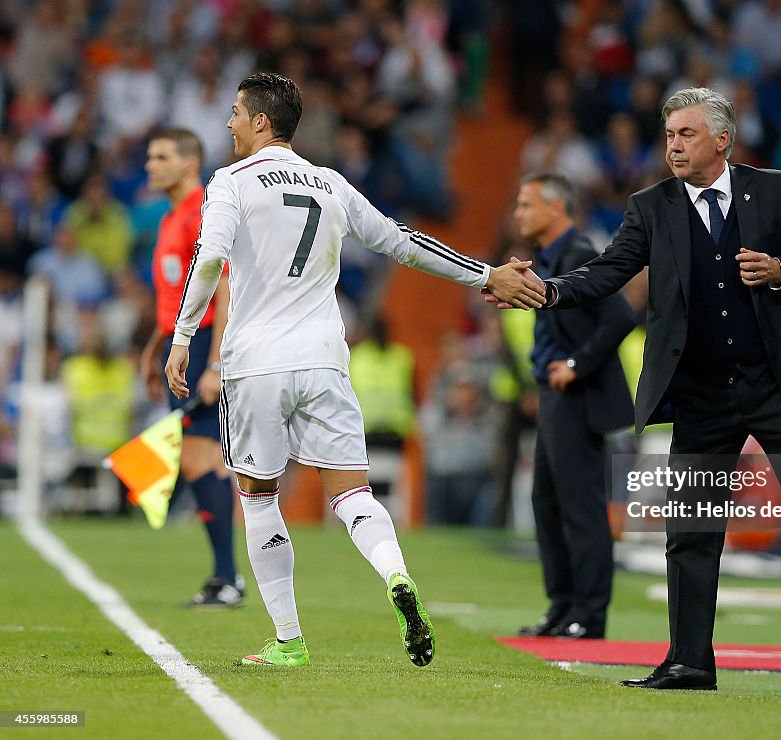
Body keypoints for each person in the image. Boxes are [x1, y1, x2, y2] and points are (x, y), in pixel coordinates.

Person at [165, 72, 545, 668]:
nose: (230, 122)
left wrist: (183, 336)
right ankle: (396, 575)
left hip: (256, 364)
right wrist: (485, 274)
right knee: (353, 492)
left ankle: (288, 640)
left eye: (237, 112)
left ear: (262, 121)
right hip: (323, 358)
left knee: (259, 496)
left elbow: (210, 257)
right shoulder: (330, 183)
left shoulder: (230, 181)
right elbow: (400, 242)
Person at [528, 88, 781, 689]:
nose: (673, 146)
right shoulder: (650, 206)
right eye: (668, 136)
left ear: (723, 140)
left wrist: (780, 270)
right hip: (701, 393)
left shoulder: (772, 189)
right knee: (690, 533)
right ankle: (690, 660)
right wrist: (550, 289)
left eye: (686, 135)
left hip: (780, 384)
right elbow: (612, 269)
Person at [512, 172, 635, 639]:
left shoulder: (578, 254)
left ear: (555, 208)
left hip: (577, 396)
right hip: (554, 394)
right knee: (547, 501)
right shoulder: (550, 258)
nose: (519, 213)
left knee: (579, 506)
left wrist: (577, 364)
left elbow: (621, 314)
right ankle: (563, 606)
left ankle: (589, 613)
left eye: (526, 204)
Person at [140, 127, 242, 608]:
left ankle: (227, 578)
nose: (149, 165)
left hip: (204, 344)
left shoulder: (203, 210)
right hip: (182, 344)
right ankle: (224, 576)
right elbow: (176, 295)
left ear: (188, 163)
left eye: (160, 156)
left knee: (204, 459)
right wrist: (153, 347)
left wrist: (216, 362)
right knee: (199, 459)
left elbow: (222, 286)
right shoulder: (170, 218)